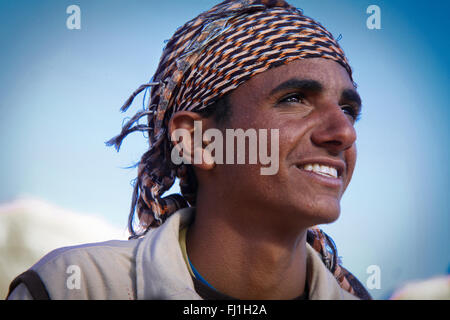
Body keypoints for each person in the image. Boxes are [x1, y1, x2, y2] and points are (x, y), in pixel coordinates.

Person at [7, 0, 371, 300]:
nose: (344, 132)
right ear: (197, 141)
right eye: (294, 99)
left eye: (349, 110)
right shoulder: (74, 288)